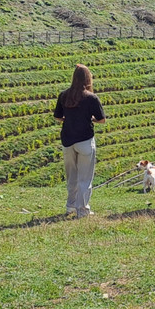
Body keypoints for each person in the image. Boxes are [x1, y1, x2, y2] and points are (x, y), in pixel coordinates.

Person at [54, 64, 107, 218]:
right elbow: (101, 119)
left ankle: (70, 206)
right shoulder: (91, 97)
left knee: (72, 176)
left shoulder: (64, 95)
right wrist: (90, 119)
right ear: (88, 79)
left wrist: (68, 118)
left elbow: (57, 116)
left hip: (67, 140)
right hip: (85, 140)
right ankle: (82, 210)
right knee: (85, 178)